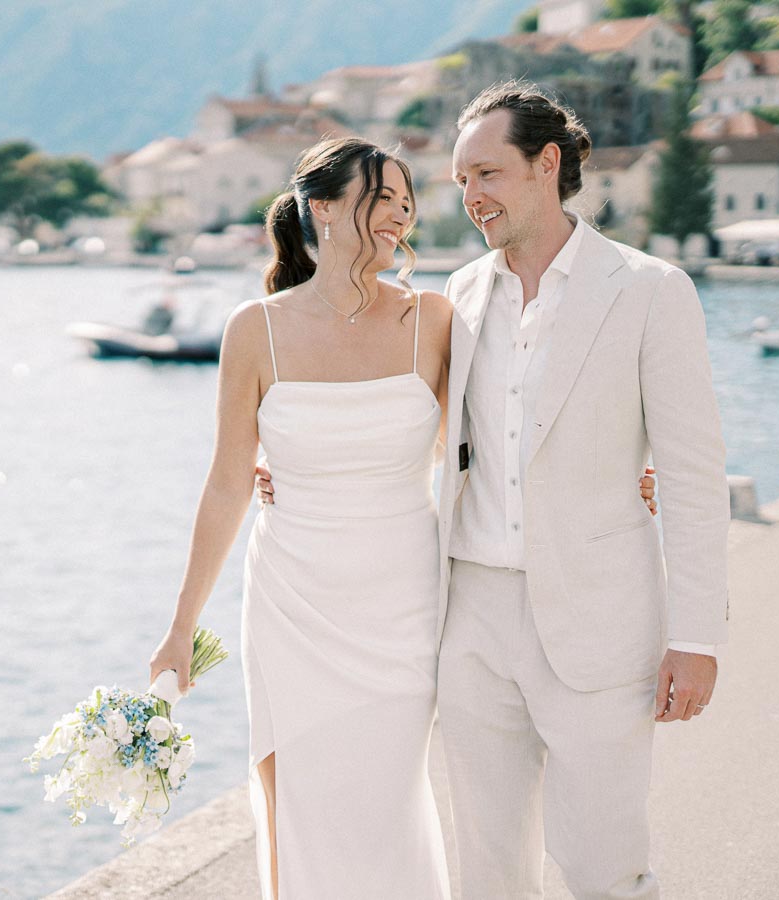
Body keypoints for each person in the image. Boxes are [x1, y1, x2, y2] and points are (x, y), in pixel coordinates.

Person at [148, 136, 657, 898]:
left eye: (405, 200)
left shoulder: (436, 320)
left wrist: (622, 473)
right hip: (291, 603)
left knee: (387, 802)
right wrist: (181, 626)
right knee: (300, 807)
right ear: (321, 207)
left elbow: (512, 428)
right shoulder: (254, 329)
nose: (399, 214)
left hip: (403, 603)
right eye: (380, 197)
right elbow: (225, 485)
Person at [435, 82, 729, 899]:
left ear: (547, 163)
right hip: (471, 621)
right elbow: (421, 441)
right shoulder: (455, 297)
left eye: (487, 174)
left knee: (605, 864)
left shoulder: (648, 288)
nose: (472, 198)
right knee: (487, 869)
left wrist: (697, 635)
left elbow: (694, 471)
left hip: (603, 620)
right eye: (462, 181)